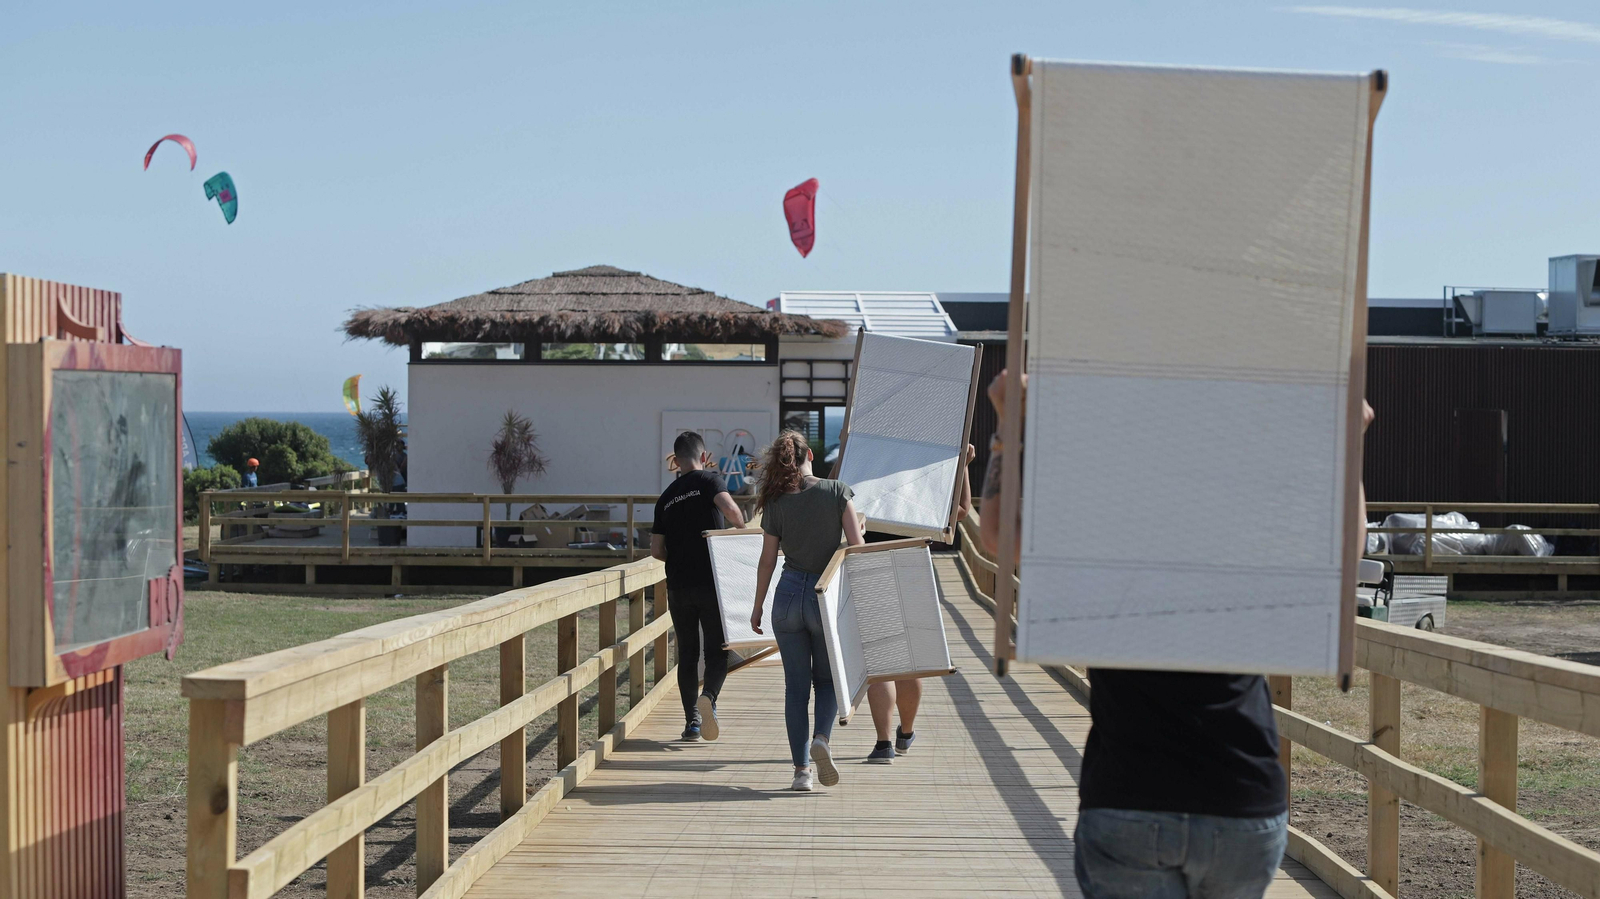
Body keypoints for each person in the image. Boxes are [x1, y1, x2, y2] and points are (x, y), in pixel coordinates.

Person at [978, 368, 1375, 899]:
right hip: (1240, 800)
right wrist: (1350, 443)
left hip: (1129, 797)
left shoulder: (1103, 534)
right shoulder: (1247, 533)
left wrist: (1008, 426)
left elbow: (996, 534)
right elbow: (1346, 552)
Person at [750, 430, 865, 792]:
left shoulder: (776, 503)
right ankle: (822, 739)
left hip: (787, 597)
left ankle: (801, 772)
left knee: (796, 689)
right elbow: (857, 548)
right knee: (826, 681)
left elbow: (768, 561)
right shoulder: (837, 492)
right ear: (810, 456)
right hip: (822, 596)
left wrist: (757, 606)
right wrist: (859, 529)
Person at [862, 442, 978, 764]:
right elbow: (961, 512)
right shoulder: (921, 487)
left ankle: (883, 744)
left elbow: (834, 494)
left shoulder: (865, 475)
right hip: (912, 572)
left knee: (881, 663)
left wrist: (847, 446)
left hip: (871, 569)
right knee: (909, 661)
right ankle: (906, 733)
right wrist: (963, 467)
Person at [651, 432, 747, 742]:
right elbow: (732, 511)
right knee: (718, 650)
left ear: (676, 460)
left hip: (679, 586)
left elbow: (656, 550)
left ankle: (692, 721)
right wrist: (742, 529)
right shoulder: (709, 481)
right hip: (710, 582)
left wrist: (679, 557)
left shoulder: (665, 497)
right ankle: (709, 697)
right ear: (704, 457)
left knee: (688, 653)